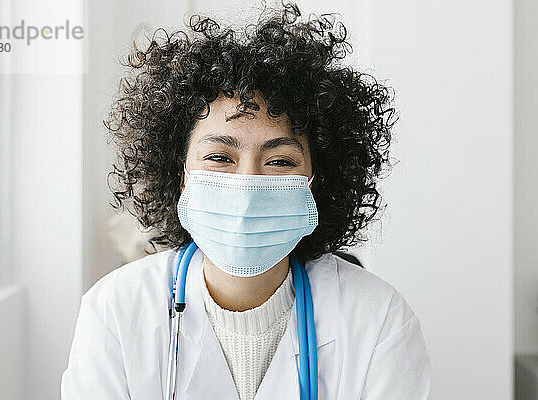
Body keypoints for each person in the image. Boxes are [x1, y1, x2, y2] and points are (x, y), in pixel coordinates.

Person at [61, 3, 431, 399]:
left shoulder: (377, 319)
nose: (248, 186)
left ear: (315, 181)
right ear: (181, 176)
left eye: (279, 161)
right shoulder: (115, 310)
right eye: (220, 157)